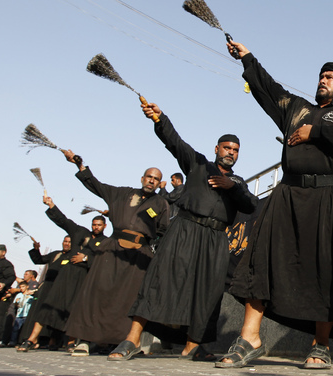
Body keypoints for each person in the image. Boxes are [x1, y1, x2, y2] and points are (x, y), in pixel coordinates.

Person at [216, 41, 333, 369]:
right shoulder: (296, 107)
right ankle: (250, 338)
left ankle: (321, 345)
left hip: (329, 197)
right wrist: (247, 58)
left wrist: (315, 131)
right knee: (260, 260)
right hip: (287, 194)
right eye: (320, 75)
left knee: (327, 266)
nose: (322, 79)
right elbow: (268, 89)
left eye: (329, 76)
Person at [108, 104, 258, 361]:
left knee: (208, 292)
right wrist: (159, 118)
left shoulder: (239, 182)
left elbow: (250, 204)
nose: (230, 153)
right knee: (159, 281)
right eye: (226, 148)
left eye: (235, 150)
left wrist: (230, 186)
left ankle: (193, 345)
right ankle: (131, 339)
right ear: (216, 149)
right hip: (184, 230)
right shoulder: (198, 163)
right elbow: (174, 141)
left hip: (216, 239)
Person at [61, 152, 169, 351]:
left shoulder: (161, 204)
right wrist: (80, 166)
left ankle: (118, 342)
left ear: (159, 183)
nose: (151, 181)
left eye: (156, 179)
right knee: (96, 292)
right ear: (142, 178)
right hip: (113, 249)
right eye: (149, 177)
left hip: (140, 255)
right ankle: (84, 340)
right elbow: (97, 186)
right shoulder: (122, 193)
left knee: (127, 299)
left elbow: (163, 231)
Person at [18, 195, 105, 352]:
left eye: (99, 225)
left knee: (74, 309)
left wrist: (86, 257)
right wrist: (51, 205)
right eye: (94, 224)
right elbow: (63, 220)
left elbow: (104, 260)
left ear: (104, 226)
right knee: (48, 305)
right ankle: (31, 339)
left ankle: (71, 342)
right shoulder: (79, 231)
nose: (96, 227)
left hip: (83, 277)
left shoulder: (105, 242)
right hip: (65, 275)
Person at [9, 281, 34, 347]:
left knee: (25, 329)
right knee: (15, 329)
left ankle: (23, 342)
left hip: (27, 314)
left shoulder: (31, 295)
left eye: (23, 287)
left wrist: (29, 295)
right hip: (19, 315)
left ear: (27, 286)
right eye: (20, 287)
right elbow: (16, 305)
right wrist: (17, 302)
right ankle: (13, 341)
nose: (22, 288)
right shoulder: (19, 295)